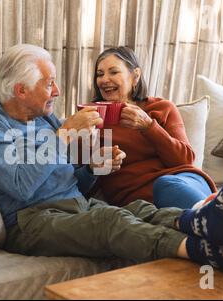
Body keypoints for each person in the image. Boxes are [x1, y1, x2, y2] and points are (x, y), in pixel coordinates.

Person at [0, 43, 223, 279]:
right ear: (21, 89)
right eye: (49, 83)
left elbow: (73, 181)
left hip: (76, 206)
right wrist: (62, 136)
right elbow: (21, 186)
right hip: (31, 222)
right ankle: (214, 249)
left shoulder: (45, 120)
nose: (57, 91)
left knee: (139, 211)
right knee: (113, 222)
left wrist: (93, 168)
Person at [92, 46, 216, 209]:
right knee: (164, 187)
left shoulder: (162, 107)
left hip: (184, 181)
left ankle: (217, 215)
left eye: (113, 72)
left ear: (135, 76)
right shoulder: (91, 118)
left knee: (165, 184)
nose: (104, 80)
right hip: (138, 199)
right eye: (100, 74)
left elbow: (185, 160)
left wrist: (149, 127)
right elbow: (76, 172)